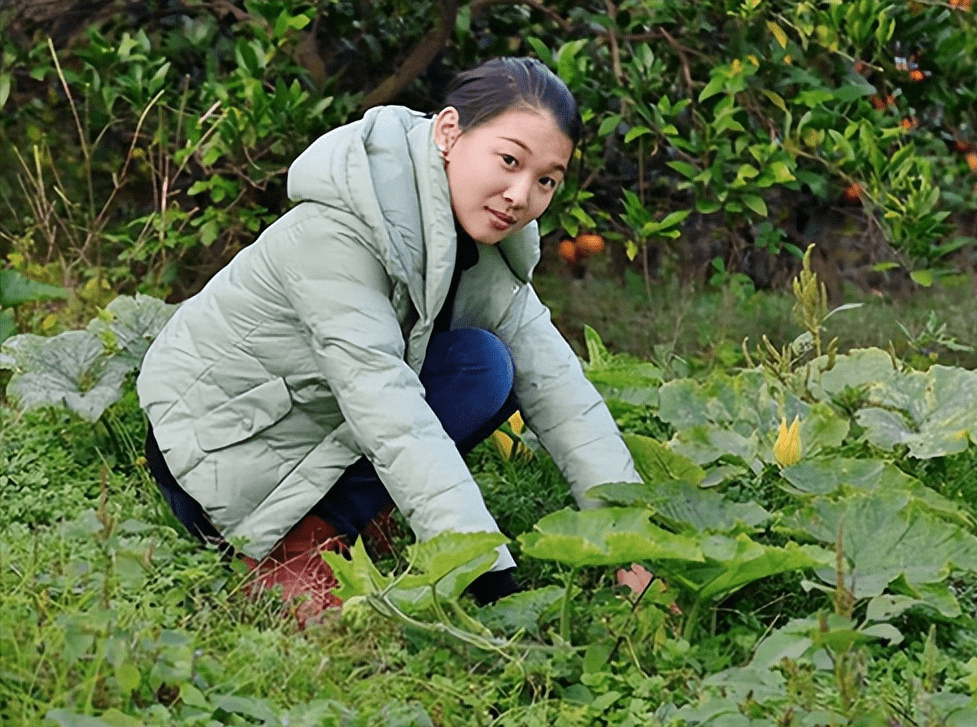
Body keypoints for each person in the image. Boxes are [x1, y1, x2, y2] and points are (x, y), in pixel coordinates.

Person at [137, 56, 641, 624]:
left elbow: (561, 390)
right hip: (217, 452)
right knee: (429, 391)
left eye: (546, 180)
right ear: (450, 132)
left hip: (313, 428)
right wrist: (485, 574)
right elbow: (388, 407)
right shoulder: (339, 230)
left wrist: (637, 539)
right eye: (508, 161)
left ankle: (339, 515)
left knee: (486, 368)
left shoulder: (487, 246)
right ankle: (287, 550)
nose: (521, 195)